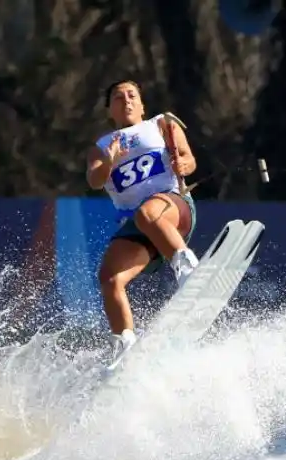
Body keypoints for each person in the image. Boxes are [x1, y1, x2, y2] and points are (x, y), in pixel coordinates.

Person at [86, 79, 200, 363]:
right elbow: (95, 181)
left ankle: (188, 268)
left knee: (148, 213)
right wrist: (110, 160)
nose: (126, 100)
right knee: (109, 278)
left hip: (173, 208)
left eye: (132, 95)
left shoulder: (161, 124)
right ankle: (125, 346)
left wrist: (183, 164)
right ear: (109, 109)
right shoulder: (101, 148)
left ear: (142, 105)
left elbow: (189, 159)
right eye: (118, 97)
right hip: (139, 227)